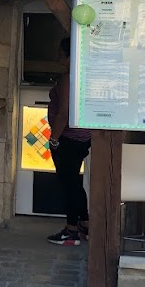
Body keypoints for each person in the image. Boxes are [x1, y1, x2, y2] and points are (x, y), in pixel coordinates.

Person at [46, 36, 92, 246]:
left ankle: (71, 230)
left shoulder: (68, 79)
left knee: (69, 186)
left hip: (69, 138)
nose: (58, 57)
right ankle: (85, 224)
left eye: (60, 53)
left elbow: (64, 112)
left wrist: (54, 139)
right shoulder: (84, 76)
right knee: (75, 183)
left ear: (69, 55)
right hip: (82, 138)